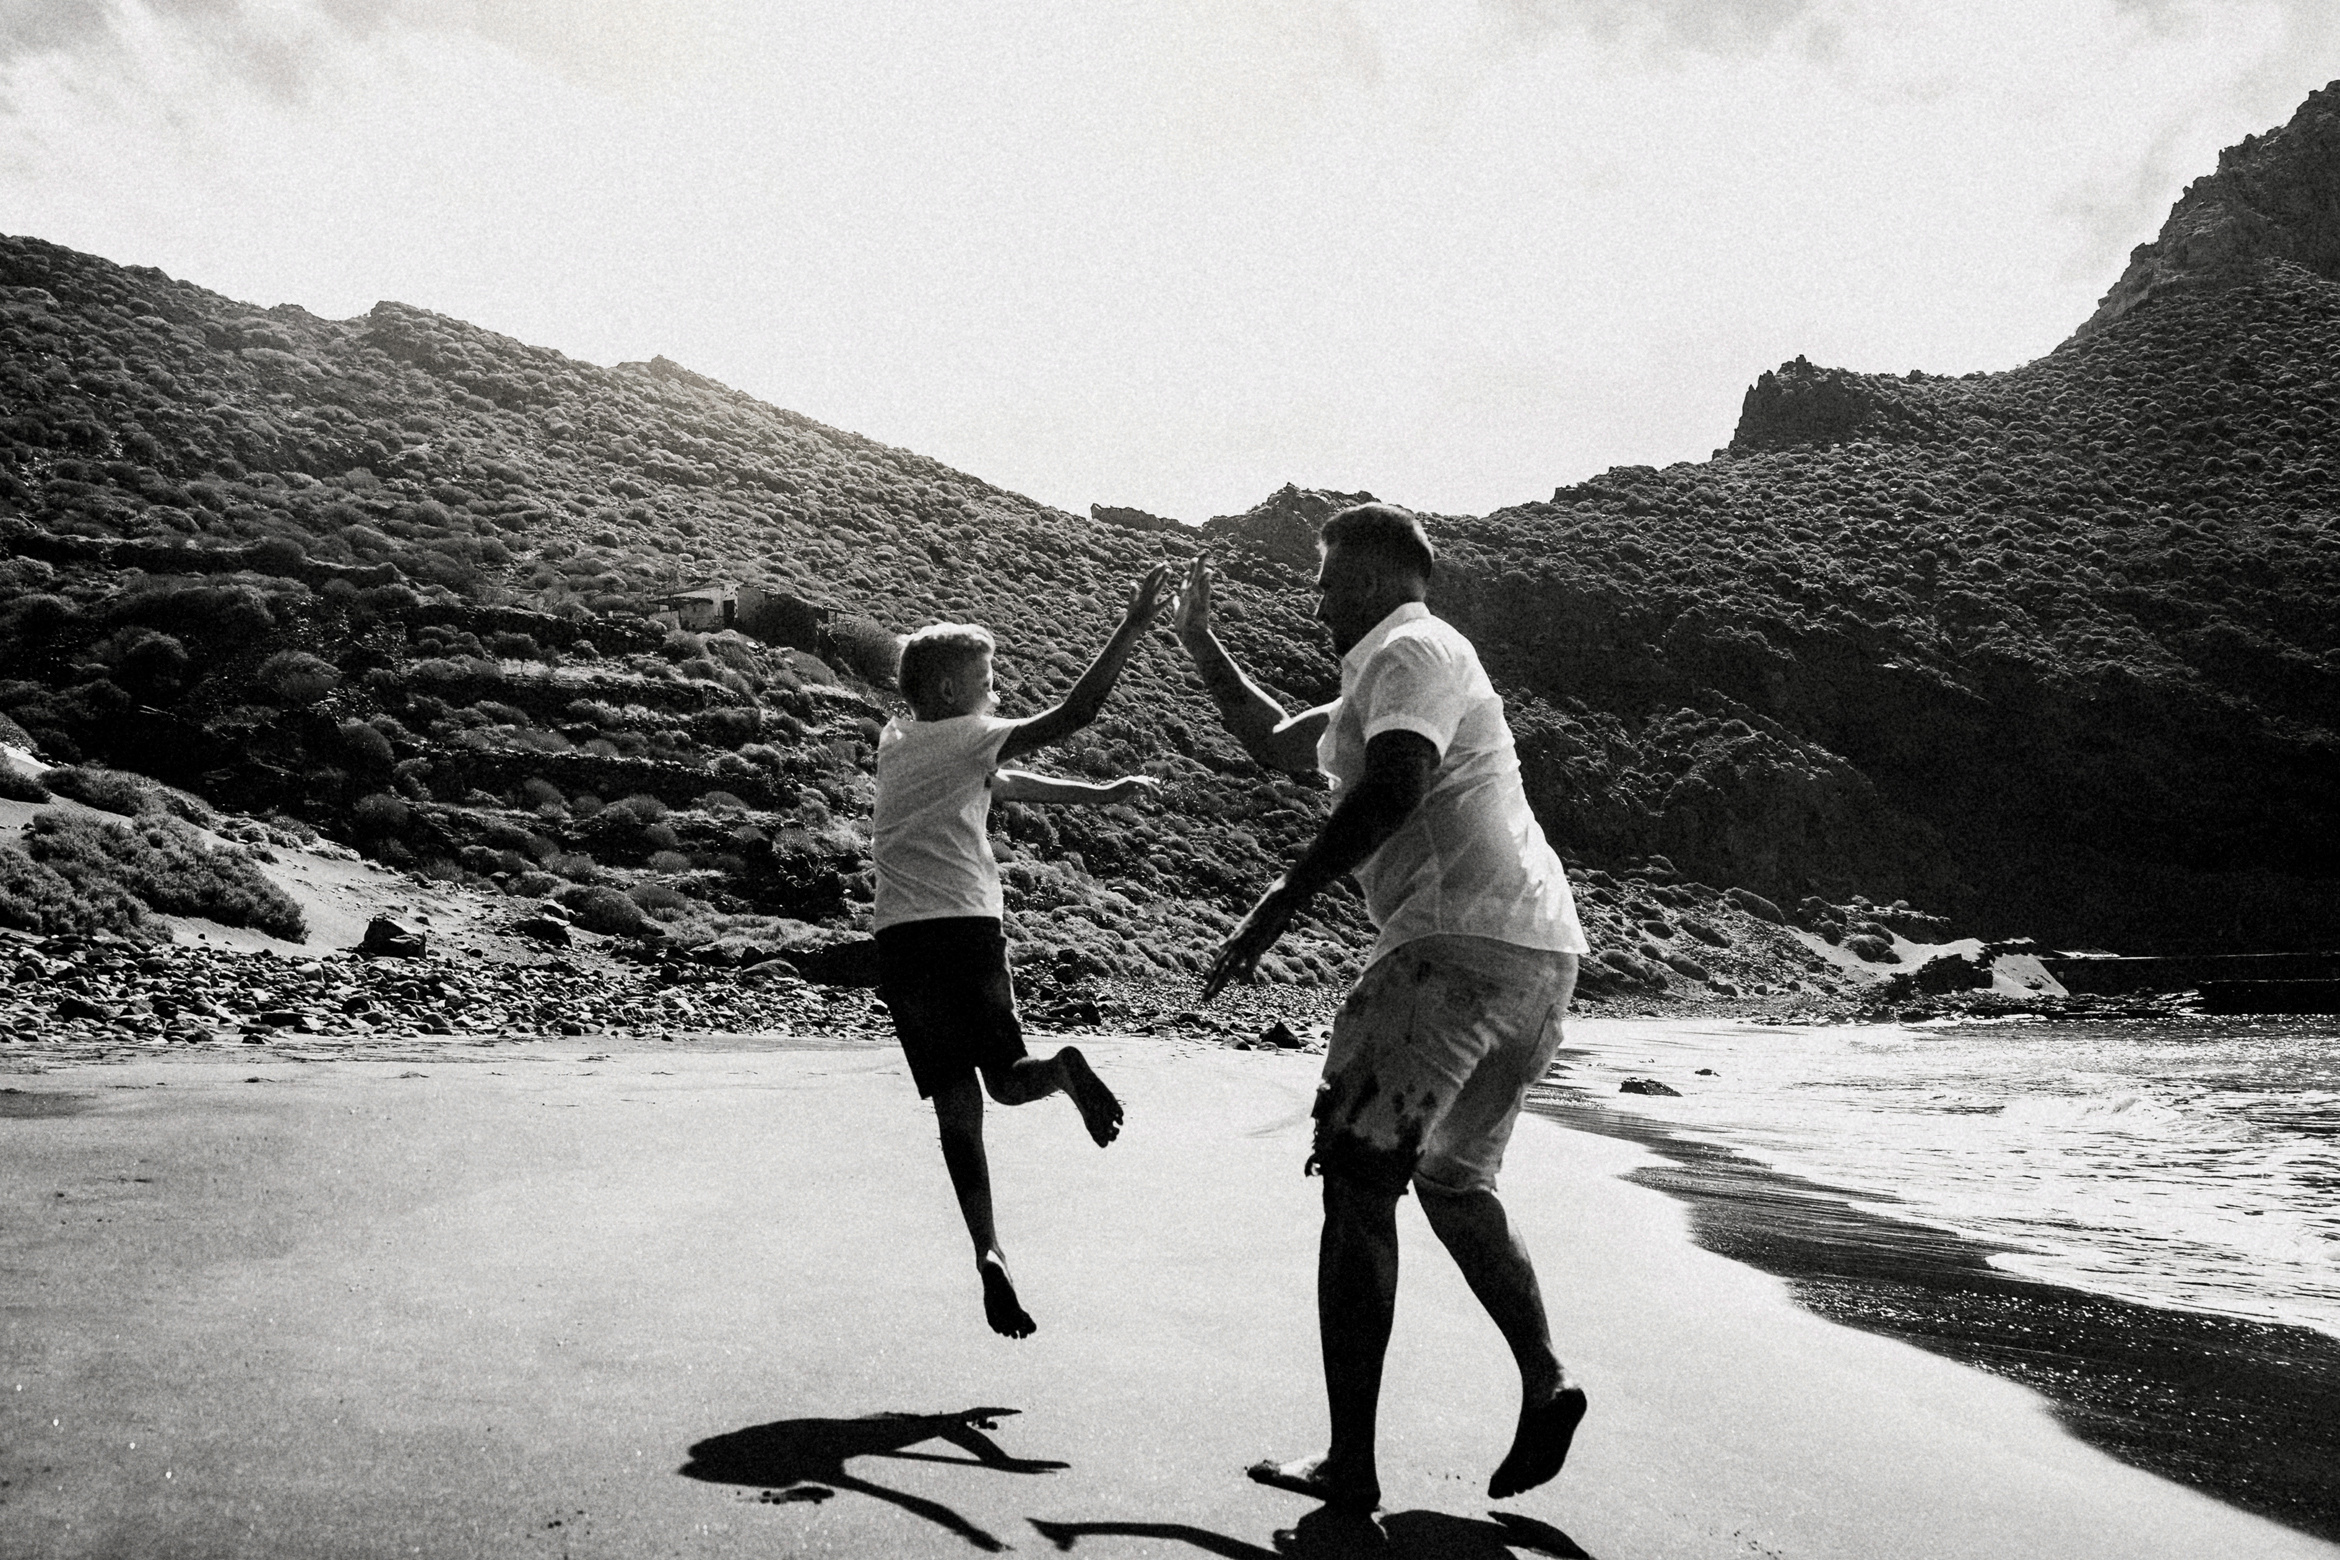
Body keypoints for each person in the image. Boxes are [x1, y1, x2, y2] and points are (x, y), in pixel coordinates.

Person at [1170, 504, 1591, 1521]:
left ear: (1365, 577)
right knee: (1453, 1182)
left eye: (1323, 582)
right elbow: (1278, 742)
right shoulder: (1404, 669)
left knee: (1360, 1187)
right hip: (1537, 960)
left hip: (1450, 952)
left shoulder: (1408, 647)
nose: (1314, 602)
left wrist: (1278, 903)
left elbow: (1398, 784)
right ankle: (1545, 1379)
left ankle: (1348, 1467)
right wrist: (1197, 640)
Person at [871, 566, 1168, 1339]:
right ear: (945, 693)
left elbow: (1001, 784)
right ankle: (1062, 1071)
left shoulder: (898, 740)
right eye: (986, 679)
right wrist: (1132, 626)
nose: (995, 692)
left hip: (902, 941)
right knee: (1006, 1081)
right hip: (967, 930)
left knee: (959, 1113)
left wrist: (1095, 798)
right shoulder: (966, 736)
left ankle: (988, 1251)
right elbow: (1079, 712)